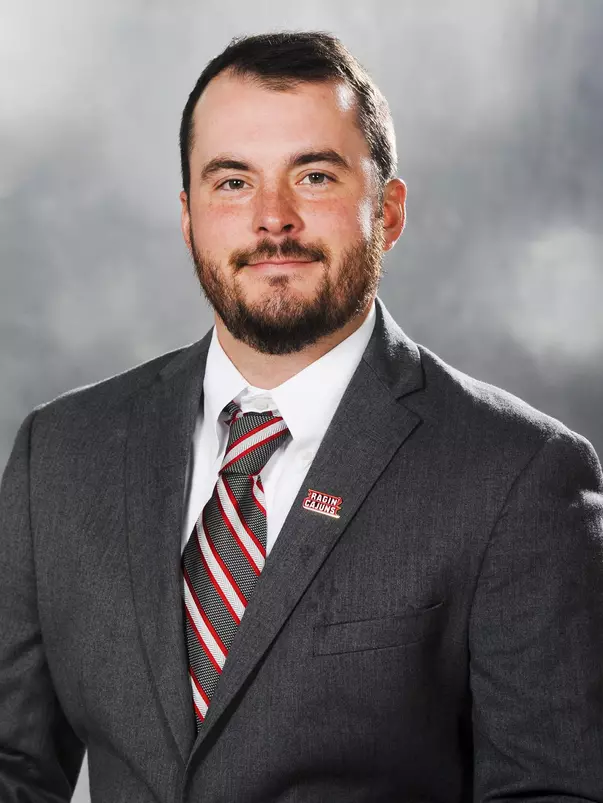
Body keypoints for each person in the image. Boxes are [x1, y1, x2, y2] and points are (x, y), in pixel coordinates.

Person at [0, 29, 602, 803]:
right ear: (188, 218)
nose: (272, 220)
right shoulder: (60, 453)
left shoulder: (520, 476)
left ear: (387, 211)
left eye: (313, 176)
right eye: (232, 183)